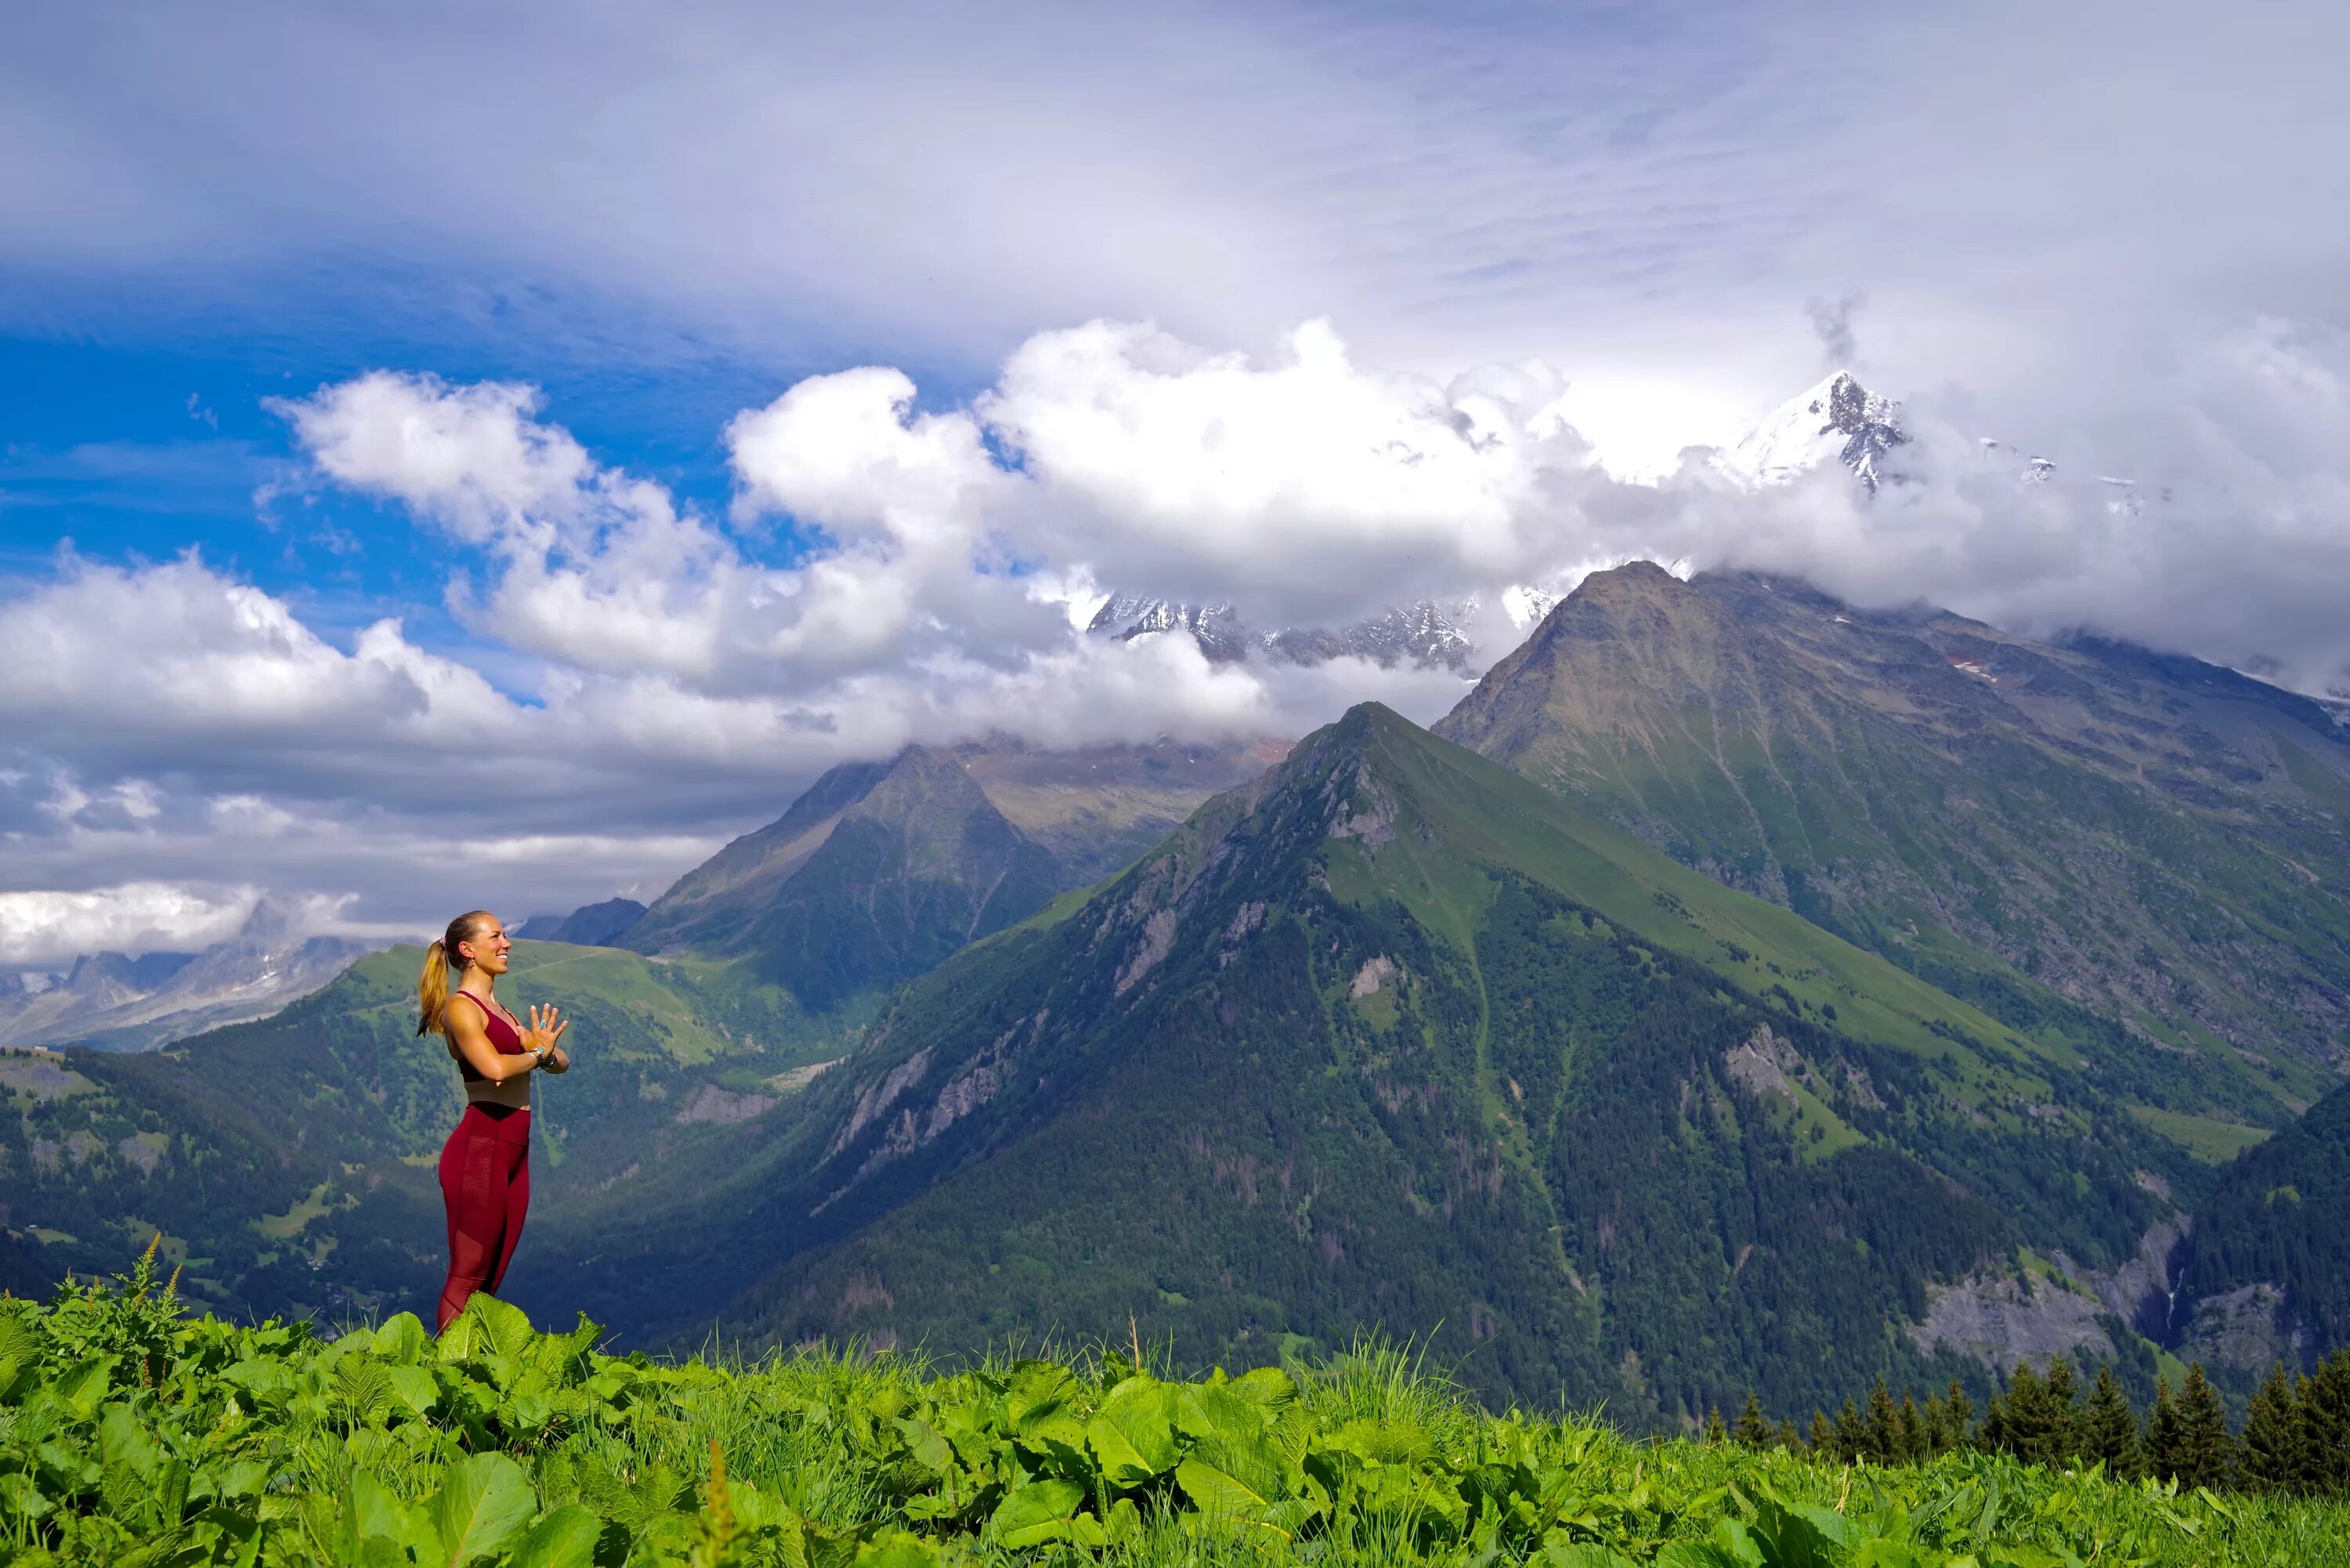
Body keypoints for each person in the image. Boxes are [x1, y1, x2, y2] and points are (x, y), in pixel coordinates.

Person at [416, 909, 570, 1333]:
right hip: (481, 1146)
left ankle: (473, 1370)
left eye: (505, 936)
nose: (507, 944)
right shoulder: (460, 1009)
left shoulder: (500, 1010)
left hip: (514, 1150)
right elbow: (496, 1069)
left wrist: (545, 1051)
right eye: (496, 936)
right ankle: (447, 1371)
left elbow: (561, 1064)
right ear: (467, 950)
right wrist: (537, 1055)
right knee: (467, 1275)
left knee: (491, 1277)